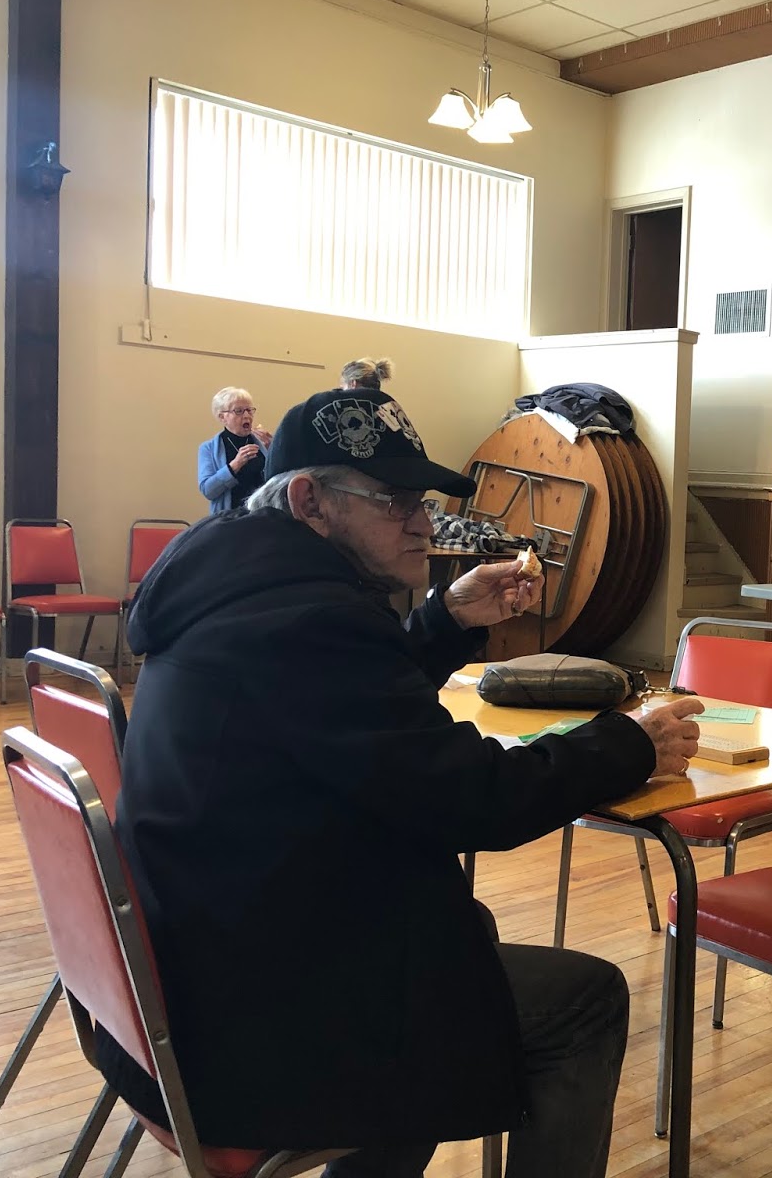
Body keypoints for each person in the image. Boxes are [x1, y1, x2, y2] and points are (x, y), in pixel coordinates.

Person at [100, 386, 704, 1177]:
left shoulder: (241, 581)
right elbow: (471, 798)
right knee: (581, 998)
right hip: (254, 1016)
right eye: (394, 501)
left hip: (192, 964)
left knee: (467, 941)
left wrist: (445, 620)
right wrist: (624, 743)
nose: (423, 521)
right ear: (313, 501)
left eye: (421, 500)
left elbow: (344, 719)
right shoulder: (309, 619)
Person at [196, 387, 271, 514]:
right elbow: (208, 491)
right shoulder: (208, 448)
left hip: (262, 518)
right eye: (239, 411)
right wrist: (235, 464)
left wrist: (273, 450)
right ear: (222, 417)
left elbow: (279, 481)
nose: (247, 415)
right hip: (228, 521)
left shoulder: (263, 443)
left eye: (249, 410)